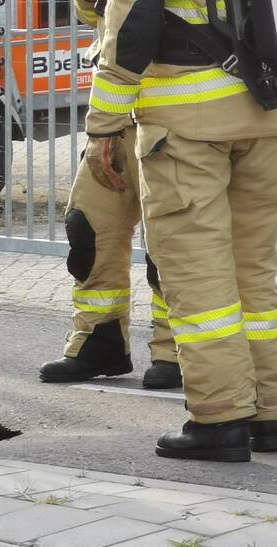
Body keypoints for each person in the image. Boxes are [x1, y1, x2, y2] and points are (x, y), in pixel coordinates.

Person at [90, 0, 277, 461]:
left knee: (199, 279)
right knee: (256, 278)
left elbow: (130, 30)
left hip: (188, 125)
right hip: (265, 116)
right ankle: (269, 412)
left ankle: (220, 419)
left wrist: (103, 128)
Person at [39, 0, 181, 390]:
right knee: (88, 230)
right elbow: (91, 13)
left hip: (171, 118)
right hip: (116, 117)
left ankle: (175, 350)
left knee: (169, 243)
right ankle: (100, 342)